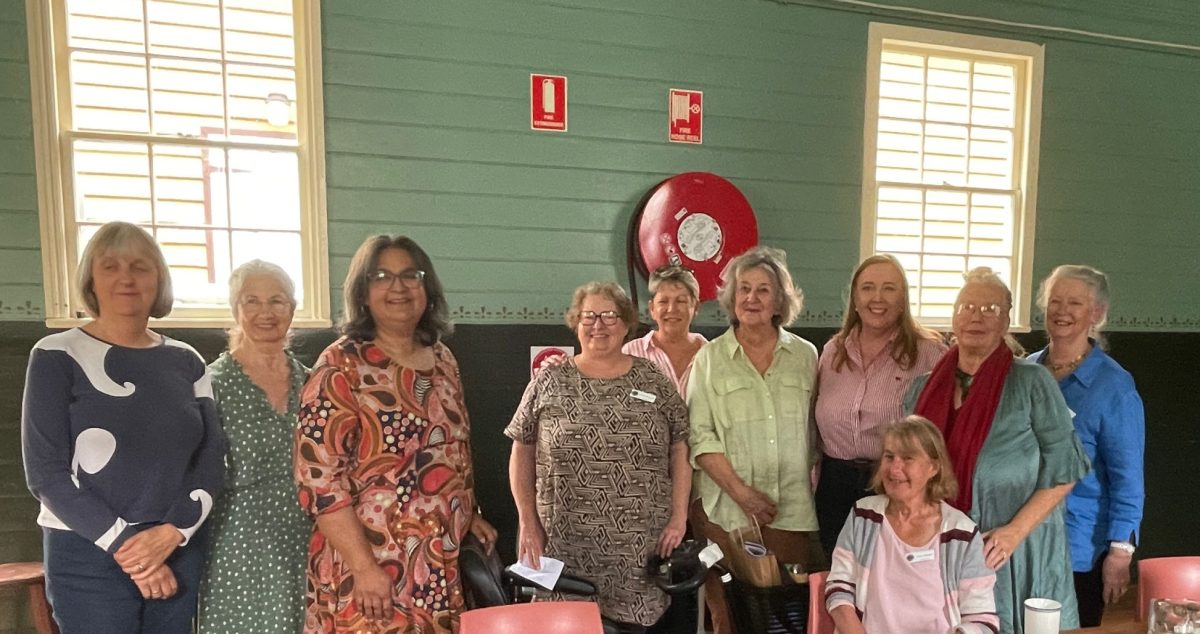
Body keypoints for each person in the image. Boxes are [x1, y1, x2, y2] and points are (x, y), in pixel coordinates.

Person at [21, 221, 226, 633]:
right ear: (91, 280)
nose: (126, 278)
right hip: (86, 553)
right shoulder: (55, 354)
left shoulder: (187, 360)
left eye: (140, 266)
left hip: (175, 547)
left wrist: (172, 534)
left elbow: (211, 457)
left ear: (159, 280)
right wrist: (131, 553)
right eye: (111, 266)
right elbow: (45, 473)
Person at [294, 235, 497, 633]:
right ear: (363, 292)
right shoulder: (340, 365)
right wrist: (364, 568)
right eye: (382, 276)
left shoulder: (442, 358)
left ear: (427, 287)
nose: (399, 287)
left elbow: (454, 449)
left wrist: (468, 511)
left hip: (439, 560)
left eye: (410, 275)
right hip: (372, 568)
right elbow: (318, 481)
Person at [905, 267, 1089, 633]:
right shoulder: (920, 390)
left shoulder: (1032, 382)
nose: (976, 315)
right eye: (967, 306)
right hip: (940, 548)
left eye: (990, 309)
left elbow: (1065, 469)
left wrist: (1013, 532)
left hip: (1015, 547)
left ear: (1006, 321)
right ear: (953, 317)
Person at [506, 281, 691, 633]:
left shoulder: (653, 379)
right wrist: (527, 521)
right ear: (576, 323)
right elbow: (521, 448)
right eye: (589, 316)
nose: (598, 325)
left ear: (625, 324)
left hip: (639, 549)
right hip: (563, 542)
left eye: (608, 315)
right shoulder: (549, 381)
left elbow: (681, 446)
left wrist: (679, 517)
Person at [687, 245, 820, 634]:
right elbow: (700, 435)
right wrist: (741, 493)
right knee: (733, 617)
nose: (752, 298)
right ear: (731, 297)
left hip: (791, 511)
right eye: (744, 289)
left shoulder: (807, 356)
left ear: (780, 299)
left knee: (787, 616)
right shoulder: (710, 359)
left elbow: (818, 430)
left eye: (764, 290)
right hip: (728, 513)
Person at [1028, 264, 1144, 627]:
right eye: (1055, 301)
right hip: (1022, 542)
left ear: (1096, 314)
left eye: (1074, 303)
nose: (1062, 311)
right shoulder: (1025, 372)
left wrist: (1120, 553)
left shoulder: (1115, 387)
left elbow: (1128, 480)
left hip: (1078, 550)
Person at [199, 260, 310, 633]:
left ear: (292, 310)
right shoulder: (210, 385)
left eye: (277, 301)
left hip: (309, 535)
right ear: (235, 310)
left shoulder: (312, 383)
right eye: (252, 301)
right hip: (238, 541)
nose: (266, 312)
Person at [814, 254, 946, 556]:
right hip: (835, 486)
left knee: (890, 576)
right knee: (841, 577)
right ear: (855, 299)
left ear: (903, 300)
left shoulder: (931, 354)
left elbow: (940, 433)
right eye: (868, 288)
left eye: (889, 288)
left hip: (898, 483)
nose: (877, 298)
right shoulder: (833, 351)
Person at [826, 416, 998, 633]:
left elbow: (982, 620)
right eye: (889, 457)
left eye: (908, 458)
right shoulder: (863, 515)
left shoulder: (961, 534)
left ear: (933, 468)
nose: (894, 469)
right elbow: (839, 588)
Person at [622, 264, 707, 398]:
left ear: (695, 307)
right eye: (663, 301)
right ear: (652, 308)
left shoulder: (713, 355)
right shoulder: (630, 354)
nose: (672, 309)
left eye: (681, 301)